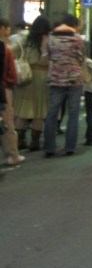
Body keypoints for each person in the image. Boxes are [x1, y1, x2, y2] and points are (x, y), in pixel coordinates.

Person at [43, 14, 85, 157]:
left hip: (56, 78)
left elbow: (48, 56)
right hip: (74, 79)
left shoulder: (51, 37)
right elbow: (81, 58)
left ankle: (49, 148)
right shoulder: (77, 38)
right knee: (73, 113)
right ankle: (70, 147)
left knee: (52, 113)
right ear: (73, 25)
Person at [13, 16, 51, 152]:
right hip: (43, 77)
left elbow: (12, 51)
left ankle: (19, 140)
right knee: (39, 112)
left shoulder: (26, 39)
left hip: (27, 76)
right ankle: (34, 142)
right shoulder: (49, 40)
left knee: (23, 111)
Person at [0, 19, 24, 165]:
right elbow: (12, 75)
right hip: (4, 89)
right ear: (2, 28)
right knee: (8, 124)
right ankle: (13, 155)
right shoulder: (5, 50)